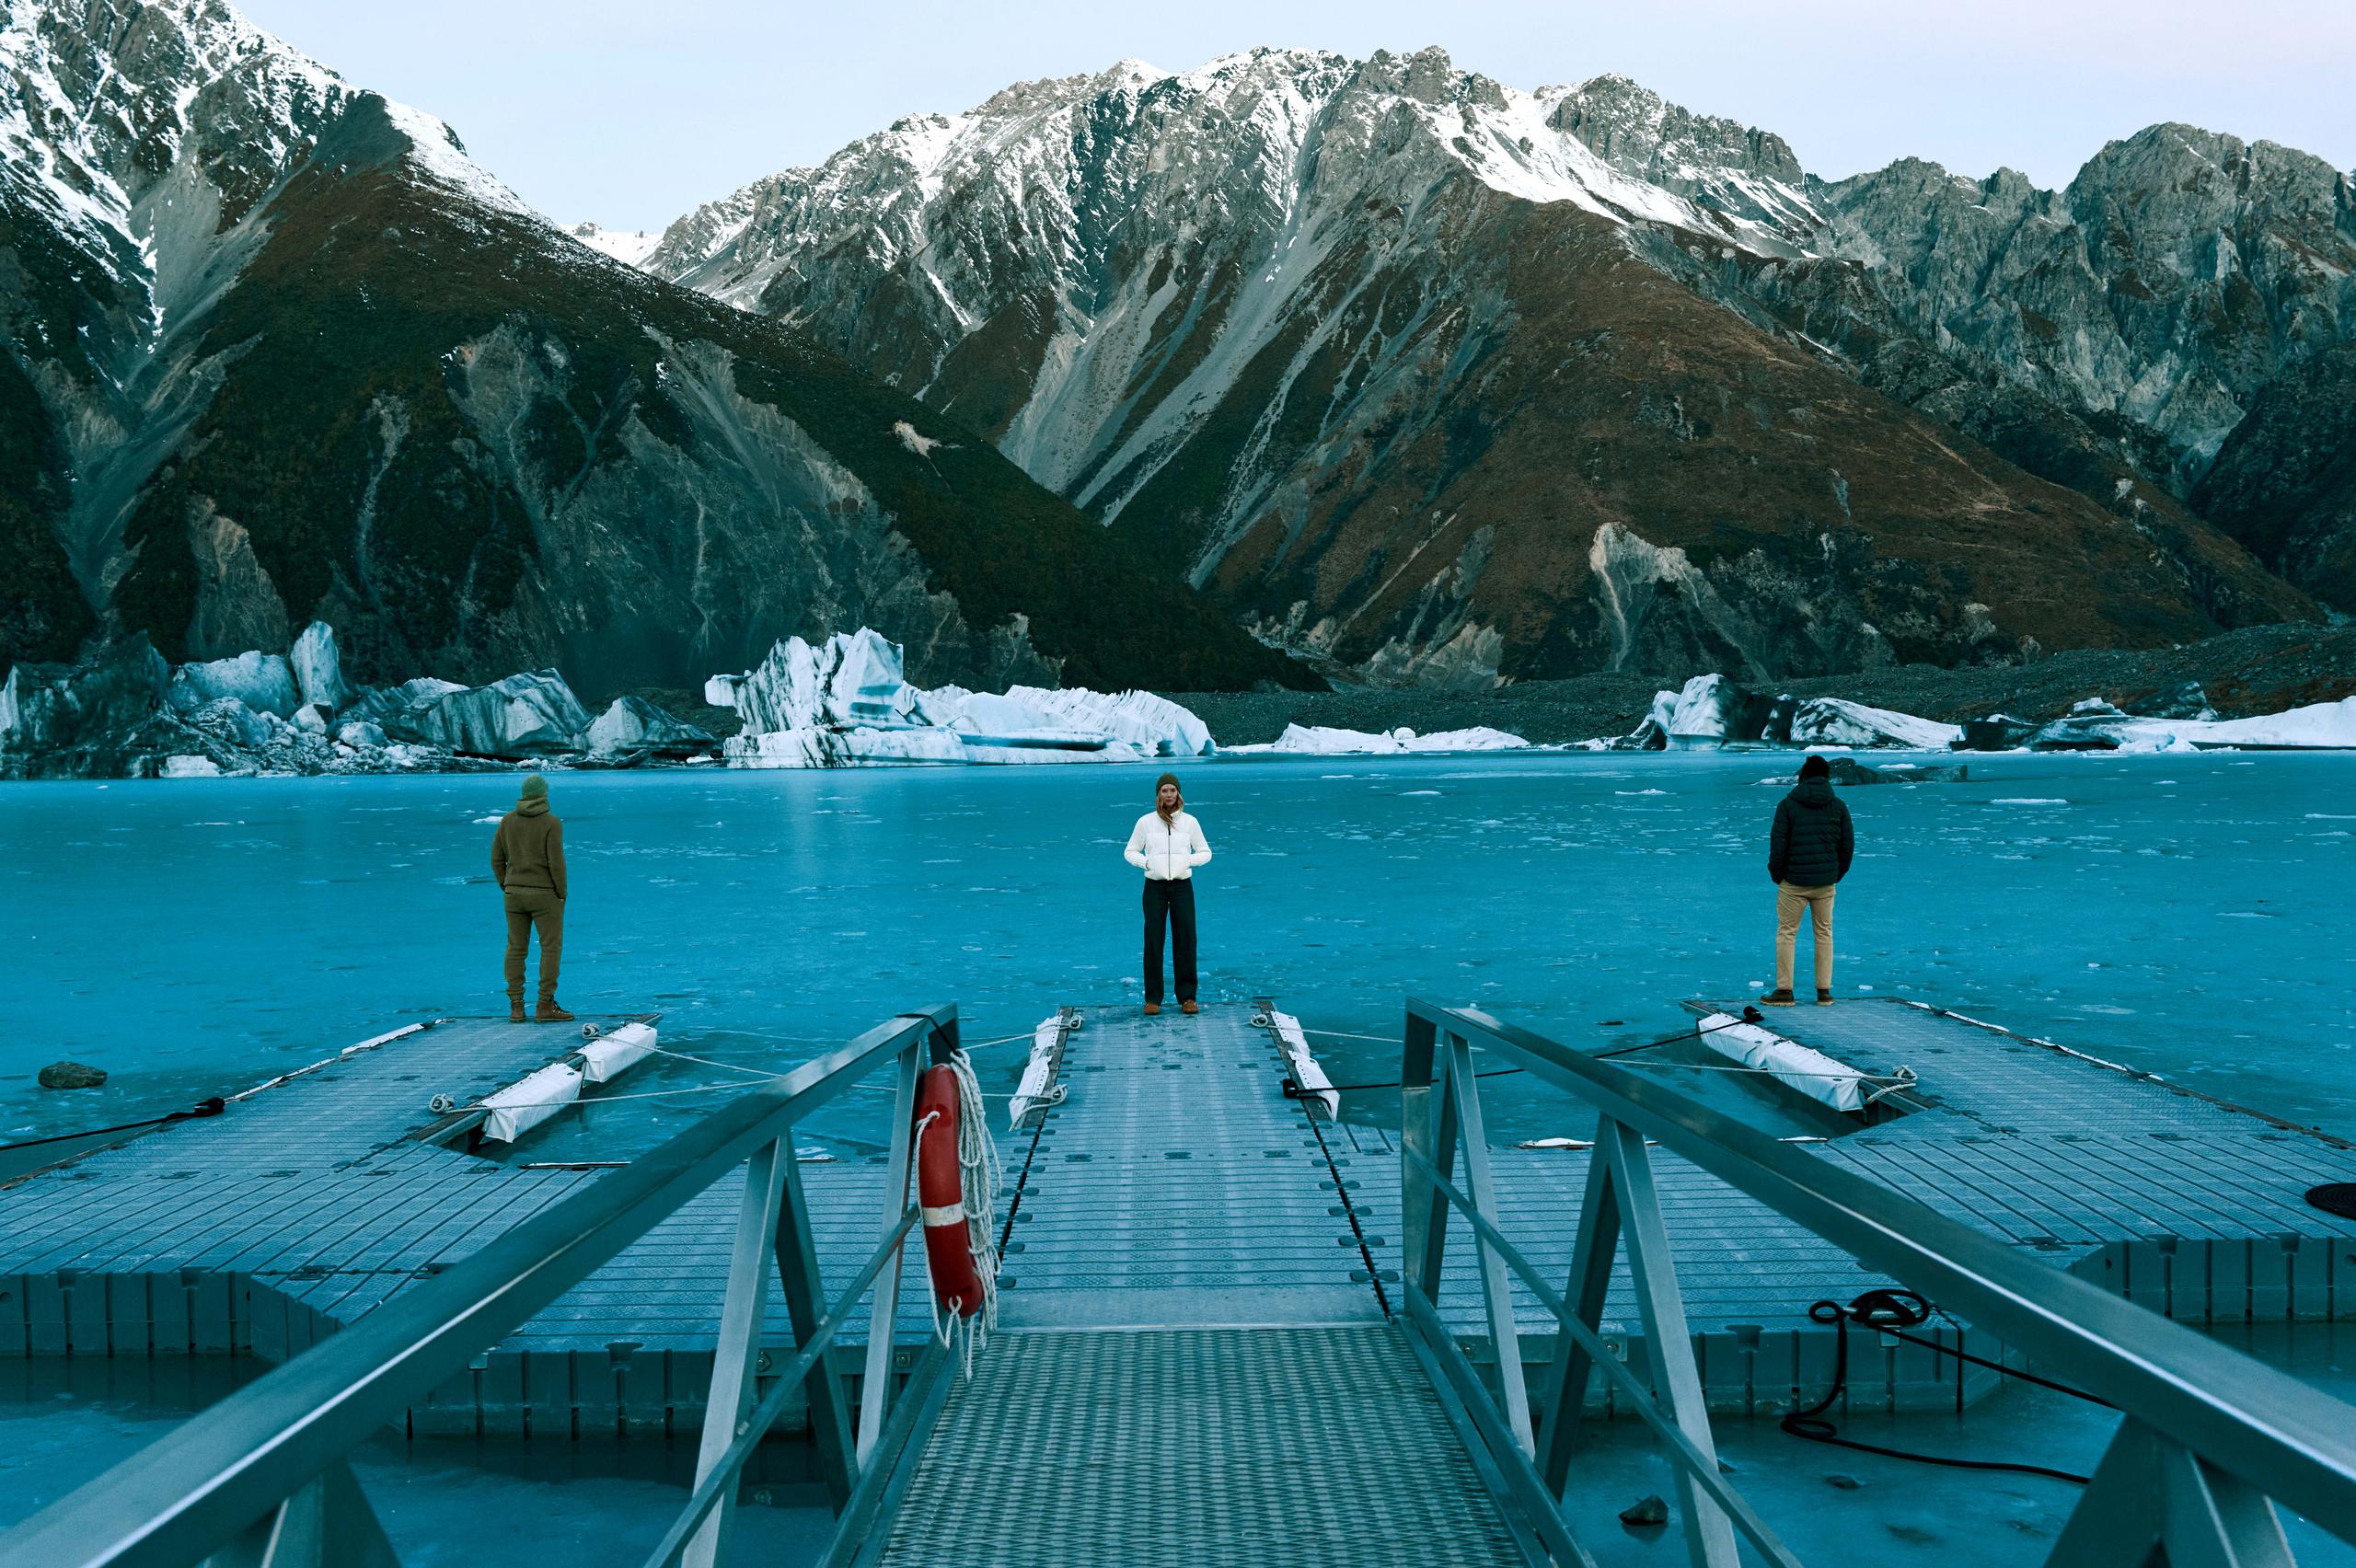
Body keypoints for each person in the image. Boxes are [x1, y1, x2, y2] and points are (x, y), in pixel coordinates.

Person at [1766, 753, 1854, 1006]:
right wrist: (1835, 874)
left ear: (1803, 776)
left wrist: (1777, 874)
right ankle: (1824, 992)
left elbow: (1778, 844)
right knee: (1824, 934)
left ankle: (1784, 991)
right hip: (1825, 883)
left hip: (1793, 882)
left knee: (1786, 933)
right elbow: (1847, 846)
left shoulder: (1787, 805)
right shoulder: (1838, 806)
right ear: (1826, 777)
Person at [1124, 771, 1212, 1016]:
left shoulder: (1190, 822)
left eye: (1173, 790)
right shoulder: (1145, 822)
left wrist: (1187, 861)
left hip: (1182, 886)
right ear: (1158, 794)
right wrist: (1146, 863)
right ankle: (1153, 999)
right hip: (1155, 887)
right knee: (1154, 941)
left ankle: (1187, 997)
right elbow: (1130, 851)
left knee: (1185, 939)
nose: (1169, 795)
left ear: (1178, 793)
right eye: (1164, 790)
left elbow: (1206, 851)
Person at [491, 773, 572, 1023]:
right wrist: (561, 893)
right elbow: (556, 864)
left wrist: (507, 884)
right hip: (544, 895)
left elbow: (496, 859)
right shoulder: (551, 822)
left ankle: (516, 1007)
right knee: (550, 948)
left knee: (516, 949)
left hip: (514, 895)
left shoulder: (507, 821)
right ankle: (545, 1005)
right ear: (543, 793)